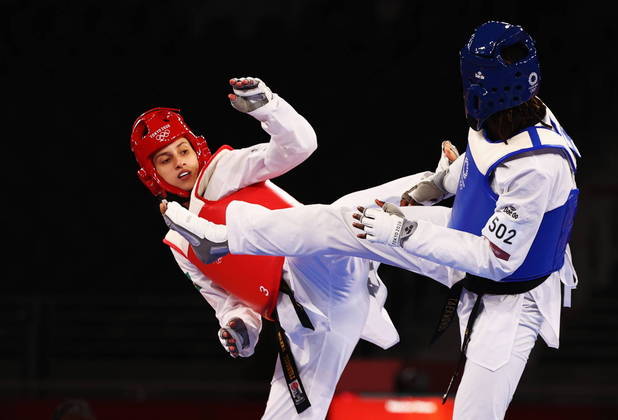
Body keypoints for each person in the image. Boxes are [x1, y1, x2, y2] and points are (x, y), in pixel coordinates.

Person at [162, 21, 580, 420]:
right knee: (341, 221)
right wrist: (438, 184)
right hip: (458, 235)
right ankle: (223, 238)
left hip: (509, 293)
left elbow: (495, 259)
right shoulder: (504, 118)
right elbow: (481, 162)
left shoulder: (539, 167)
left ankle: (229, 237)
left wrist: (401, 231)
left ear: (484, 85)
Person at [131, 77, 459, 420]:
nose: (180, 162)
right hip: (306, 318)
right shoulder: (180, 242)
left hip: (322, 268)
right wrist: (239, 328)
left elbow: (299, 146)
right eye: (166, 159)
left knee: (339, 219)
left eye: (182, 150)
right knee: (285, 415)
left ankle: (434, 198)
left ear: (196, 148)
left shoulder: (222, 172)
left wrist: (269, 108)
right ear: (151, 175)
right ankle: (426, 195)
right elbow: (229, 302)